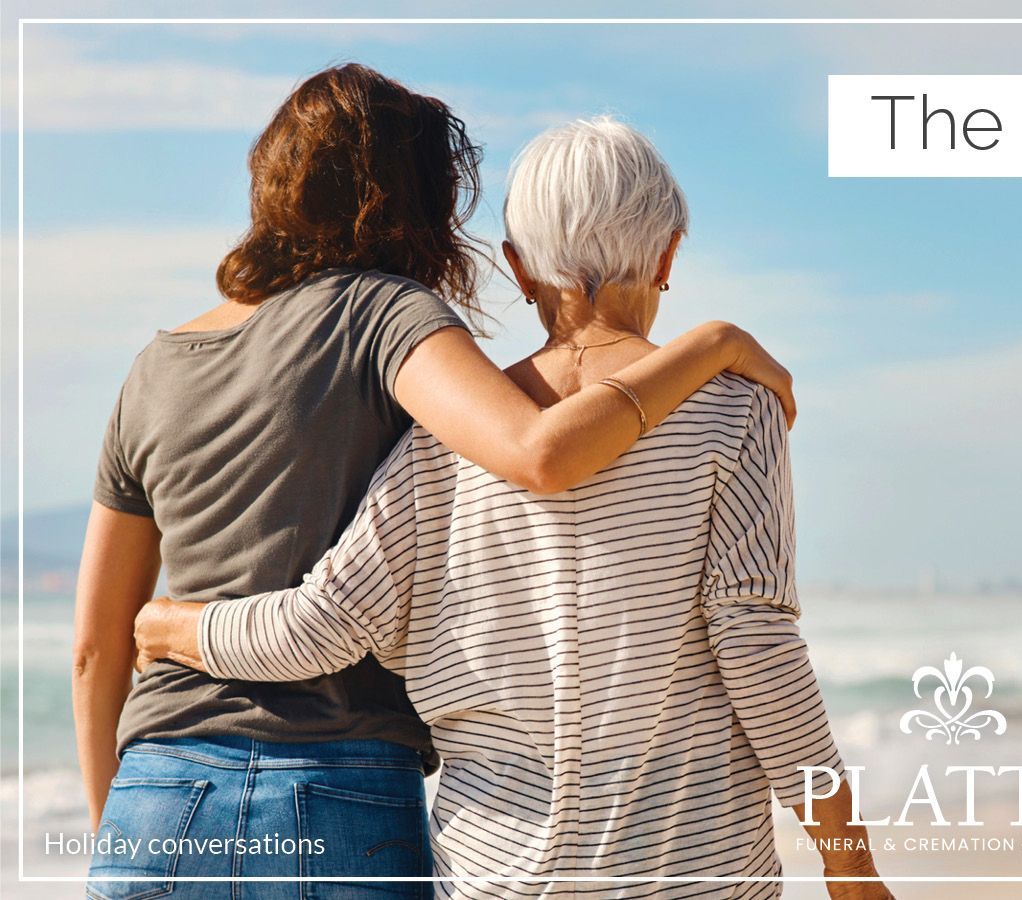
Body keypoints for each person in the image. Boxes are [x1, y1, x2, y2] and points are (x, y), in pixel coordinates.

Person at [74, 67, 795, 900]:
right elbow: (540, 451)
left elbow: (96, 648)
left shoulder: (155, 366)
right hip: (337, 789)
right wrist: (712, 346)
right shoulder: (387, 316)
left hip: (155, 797)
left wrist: (118, 832)